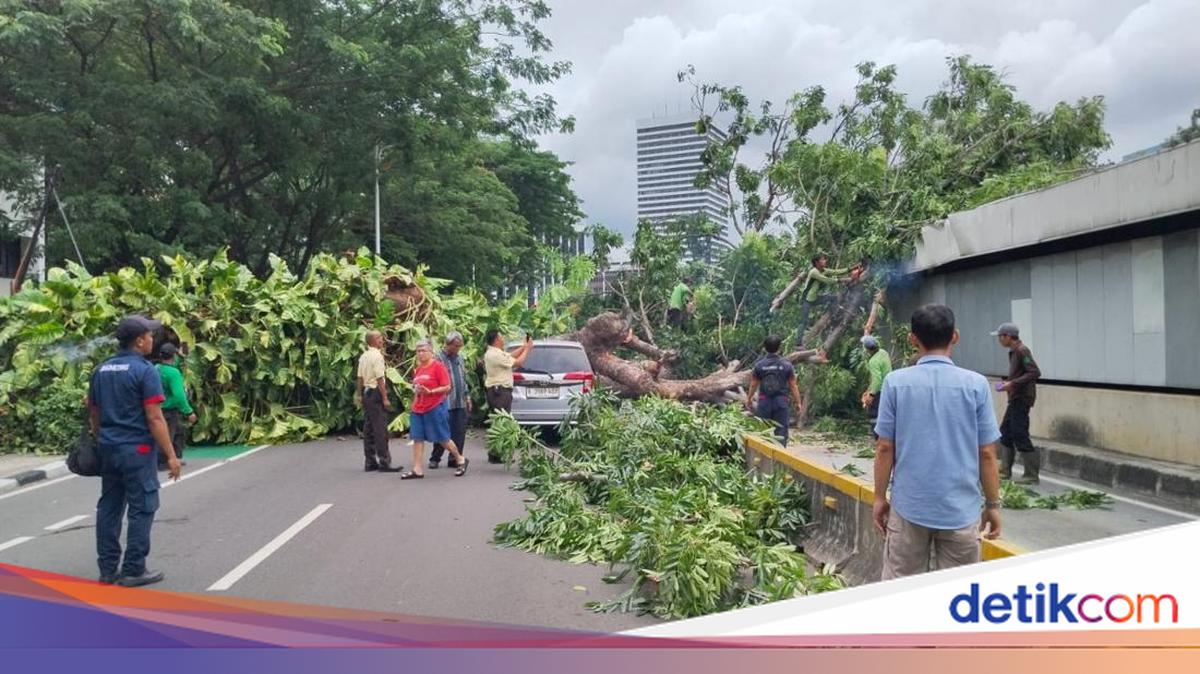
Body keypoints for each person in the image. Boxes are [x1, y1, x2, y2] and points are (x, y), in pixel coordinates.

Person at [872, 304, 1003, 580]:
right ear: (954, 336)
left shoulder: (895, 383)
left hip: (909, 508)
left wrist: (879, 497)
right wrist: (992, 505)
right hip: (961, 511)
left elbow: (884, 447)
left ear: (912, 339)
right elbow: (987, 453)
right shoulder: (976, 385)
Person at [87, 315, 182, 588]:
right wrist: (171, 455)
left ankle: (107, 569)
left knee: (110, 506)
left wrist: (101, 437)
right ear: (139, 341)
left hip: (109, 447)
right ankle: (133, 568)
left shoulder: (101, 370)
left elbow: (94, 411)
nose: (153, 339)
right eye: (150, 336)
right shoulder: (144, 371)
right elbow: (154, 417)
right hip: (137, 449)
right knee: (143, 507)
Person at [401, 339, 469, 479]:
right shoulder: (418, 369)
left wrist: (431, 392)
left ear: (431, 352)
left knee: (442, 437)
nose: (420, 354)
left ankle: (460, 458)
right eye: (418, 351)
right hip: (418, 409)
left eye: (423, 351)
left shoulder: (438, 367)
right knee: (417, 438)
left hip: (435, 407)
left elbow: (447, 387)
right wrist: (414, 404)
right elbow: (417, 389)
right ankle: (417, 469)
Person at [991, 322, 1042, 484]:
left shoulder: (1022, 350)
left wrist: (1012, 384)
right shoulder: (1014, 352)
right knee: (1005, 432)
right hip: (1014, 397)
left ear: (1007, 336)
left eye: (1000, 337)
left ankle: (1031, 475)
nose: (999, 340)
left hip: (1022, 398)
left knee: (1020, 433)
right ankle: (1005, 469)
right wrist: (1008, 382)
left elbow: (1034, 372)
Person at [482, 328, 533, 463]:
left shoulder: (496, 353)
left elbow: (510, 357)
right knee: (502, 423)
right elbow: (518, 362)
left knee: (499, 422)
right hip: (499, 392)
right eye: (501, 337)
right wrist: (527, 349)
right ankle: (499, 453)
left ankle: (495, 453)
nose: (503, 339)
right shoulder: (494, 355)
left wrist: (523, 347)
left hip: (498, 391)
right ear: (497, 340)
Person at [746, 335, 803, 446]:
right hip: (781, 402)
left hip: (764, 402)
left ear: (764, 348)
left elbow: (753, 384)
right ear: (779, 348)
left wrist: (749, 398)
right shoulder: (787, 365)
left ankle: (762, 459)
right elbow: (793, 386)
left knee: (762, 432)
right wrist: (798, 403)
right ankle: (778, 460)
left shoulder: (759, 365)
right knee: (781, 433)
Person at [356, 331, 399, 472]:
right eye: (379, 338)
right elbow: (380, 378)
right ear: (373, 340)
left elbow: (360, 378)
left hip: (367, 392)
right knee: (380, 428)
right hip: (375, 392)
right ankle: (384, 461)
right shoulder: (377, 356)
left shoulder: (364, 356)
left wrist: (359, 395)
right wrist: (385, 397)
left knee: (368, 428)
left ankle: (370, 461)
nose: (382, 340)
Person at [430, 331, 471, 469]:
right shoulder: (438, 358)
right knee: (442, 431)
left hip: (459, 400)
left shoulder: (460, 358)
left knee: (459, 431)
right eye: (456, 346)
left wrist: (467, 396)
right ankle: (435, 458)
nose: (458, 349)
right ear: (448, 344)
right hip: (444, 401)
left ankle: (455, 458)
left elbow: (463, 378)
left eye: (460, 346)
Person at [796, 254, 856, 346]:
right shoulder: (814, 272)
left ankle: (833, 314)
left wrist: (851, 269)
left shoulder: (823, 270)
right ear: (817, 262)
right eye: (823, 260)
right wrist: (844, 280)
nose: (825, 261)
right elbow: (827, 280)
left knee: (833, 298)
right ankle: (798, 343)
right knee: (804, 322)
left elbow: (836, 272)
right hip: (806, 300)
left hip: (815, 298)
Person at [154, 343, 195, 470]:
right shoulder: (173, 373)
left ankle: (174, 458)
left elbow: (171, 368)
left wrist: (182, 357)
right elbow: (179, 395)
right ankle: (162, 462)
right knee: (168, 434)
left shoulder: (157, 368)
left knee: (177, 432)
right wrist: (188, 412)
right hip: (169, 409)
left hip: (157, 408)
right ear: (173, 356)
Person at [860, 335, 892, 439]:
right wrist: (868, 389)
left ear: (866, 349)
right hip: (888, 388)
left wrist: (871, 394)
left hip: (879, 391)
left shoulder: (873, 361)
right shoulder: (883, 352)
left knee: (874, 414)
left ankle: (878, 438)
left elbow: (877, 380)